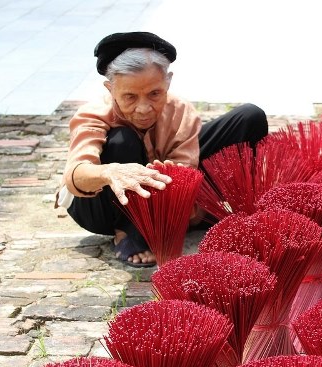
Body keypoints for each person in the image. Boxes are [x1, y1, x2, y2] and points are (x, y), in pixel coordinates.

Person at [56, 32, 268, 267]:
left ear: (167, 82)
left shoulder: (180, 110)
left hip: (161, 193)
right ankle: (127, 231)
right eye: (130, 97)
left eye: (155, 94)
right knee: (121, 140)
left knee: (250, 116)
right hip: (102, 208)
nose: (144, 108)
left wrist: (174, 182)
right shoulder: (93, 114)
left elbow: (185, 171)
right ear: (110, 89)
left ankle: (174, 221)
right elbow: (76, 172)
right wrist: (111, 173)